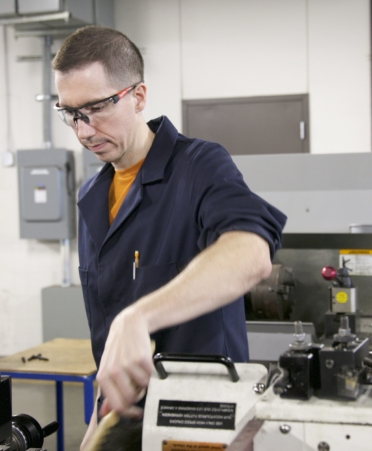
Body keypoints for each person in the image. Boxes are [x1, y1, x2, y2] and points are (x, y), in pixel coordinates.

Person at [52, 25, 286, 448]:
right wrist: (94, 427)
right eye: (71, 113)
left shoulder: (199, 166)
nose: (83, 131)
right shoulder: (91, 197)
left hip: (200, 418)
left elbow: (252, 253)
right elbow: (111, 340)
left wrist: (140, 316)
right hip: (123, 424)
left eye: (97, 108)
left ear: (138, 96)